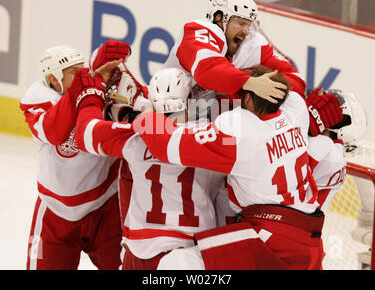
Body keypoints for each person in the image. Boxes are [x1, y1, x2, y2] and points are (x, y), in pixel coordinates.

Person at [132, 65, 348, 270]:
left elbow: (166, 145)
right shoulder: (297, 110)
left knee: (175, 265)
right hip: (308, 239)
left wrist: (145, 117)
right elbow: (289, 89)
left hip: (270, 238)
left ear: (247, 98)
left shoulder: (240, 133)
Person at [71, 66, 226, 270]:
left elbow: (85, 135)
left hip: (136, 250)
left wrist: (90, 97)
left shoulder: (136, 138)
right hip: (185, 253)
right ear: (189, 102)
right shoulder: (210, 139)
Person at [19, 44, 126, 270]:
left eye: (82, 69)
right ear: (54, 79)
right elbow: (54, 131)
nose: (82, 75)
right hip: (56, 215)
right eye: (74, 72)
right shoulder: (39, 101)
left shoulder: (98, 90)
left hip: (105, 207)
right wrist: (84, 91)